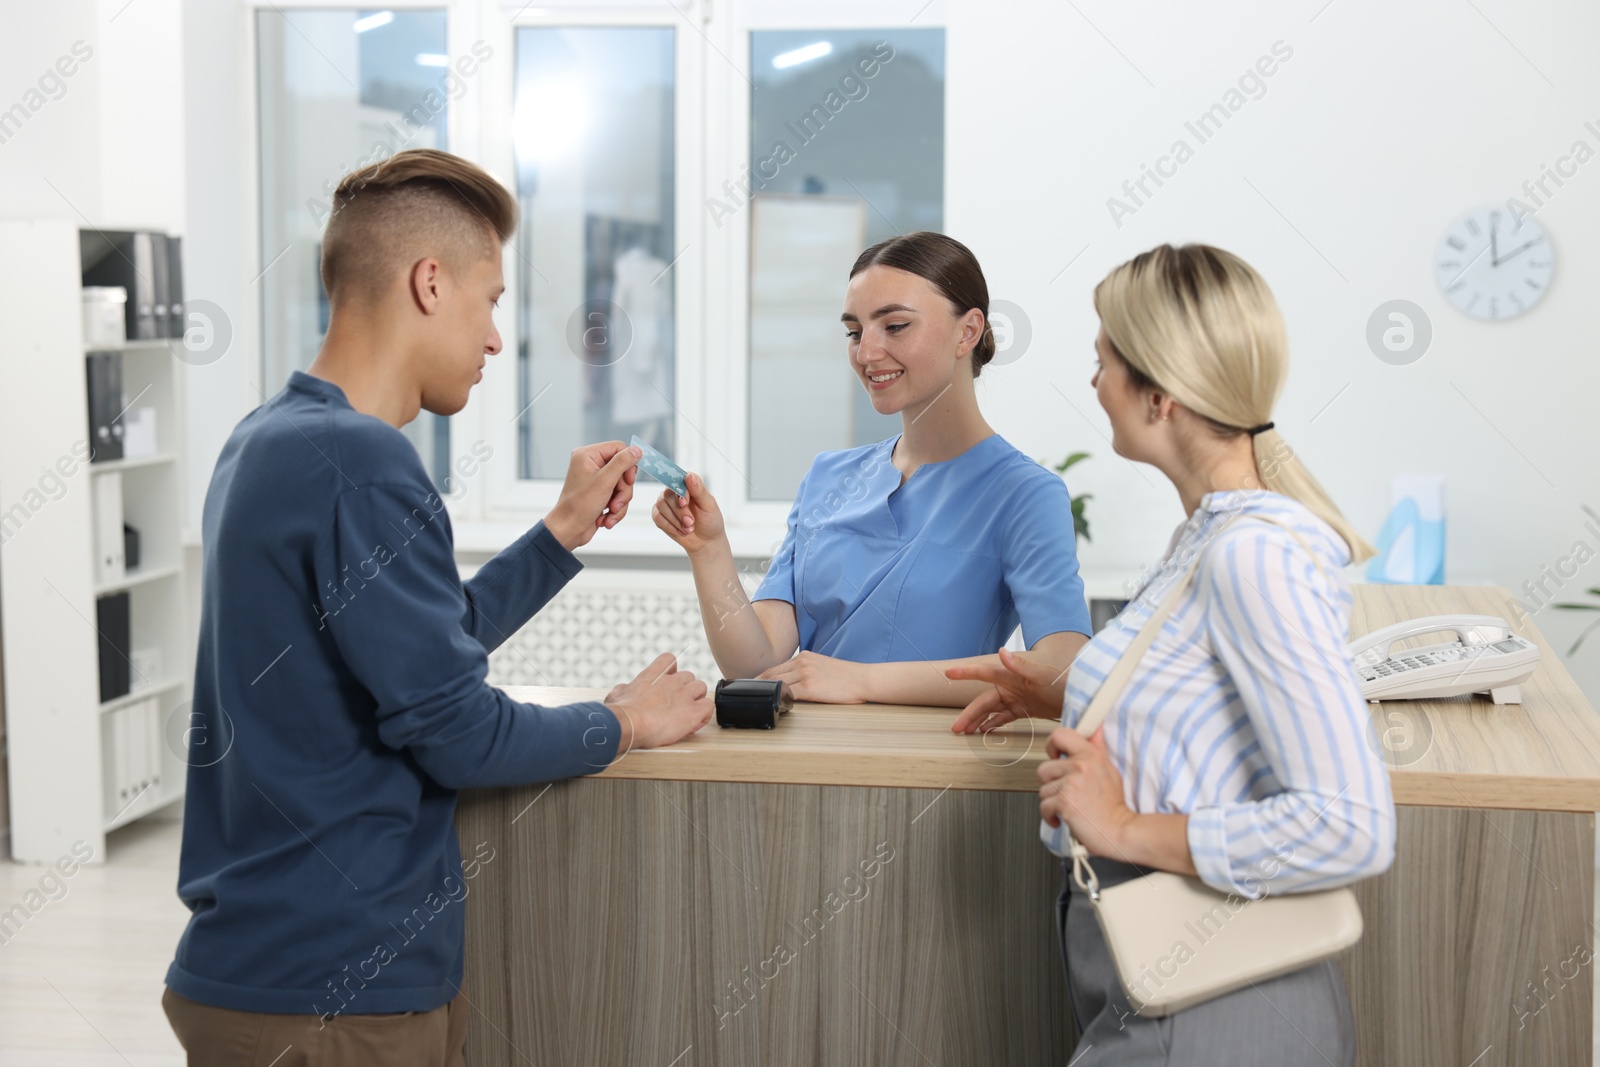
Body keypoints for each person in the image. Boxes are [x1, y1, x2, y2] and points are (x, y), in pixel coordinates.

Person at [161, 149, 714, 1066]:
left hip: (259, 968)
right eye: (491, 300)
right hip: (334, 994)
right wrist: (621, 722)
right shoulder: (366, 462)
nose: (498, 338)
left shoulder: (267, 440)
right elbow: (456, 729)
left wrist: (558, 535)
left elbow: (407, 649)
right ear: (429, 282)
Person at [949, 244, 1395, 1065]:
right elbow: (1210, 711)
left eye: (1103, 362)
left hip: (1219, 1008)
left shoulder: (1252, 555)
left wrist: (1121, 824)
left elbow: (1351, 827)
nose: (1094, 384)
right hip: (1172, 990)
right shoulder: (1206, 536)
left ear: (1159, 395)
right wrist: (1080, 694)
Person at [652, 231, 1092, 705]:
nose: (866, 354)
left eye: (896, 326)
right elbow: (757, 665)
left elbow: (1059, 667)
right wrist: (709, 549)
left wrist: (863, 682)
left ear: (967, 332)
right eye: (855, 332)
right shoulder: (828, 477)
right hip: (801, 758)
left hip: (919, 770)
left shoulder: (1024, 494)